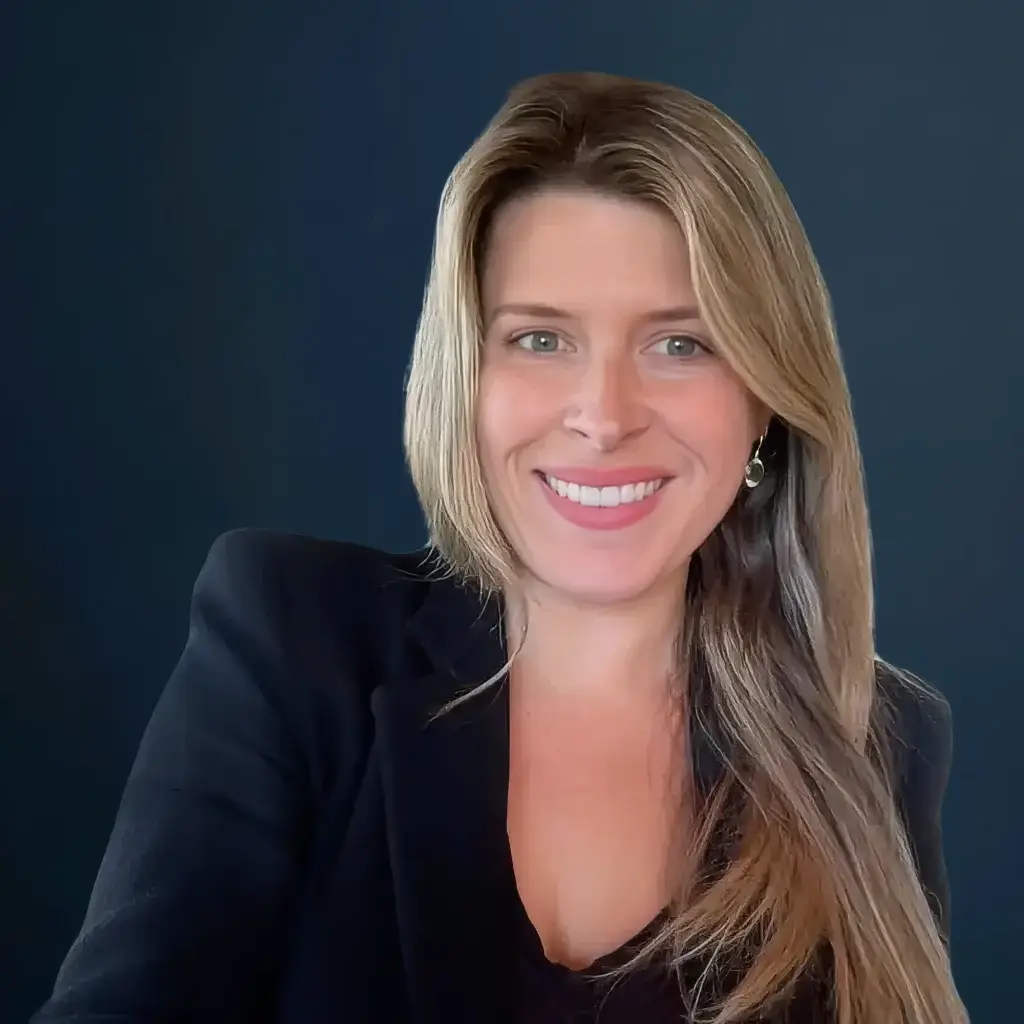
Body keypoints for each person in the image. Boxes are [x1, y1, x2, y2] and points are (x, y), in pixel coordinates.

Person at [31, 71, 966, 1024]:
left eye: (681, 345)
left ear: (767, 398)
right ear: (465, 379)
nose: (604, 417)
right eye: (540, 339)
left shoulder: (873, 742)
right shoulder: (297, 643)